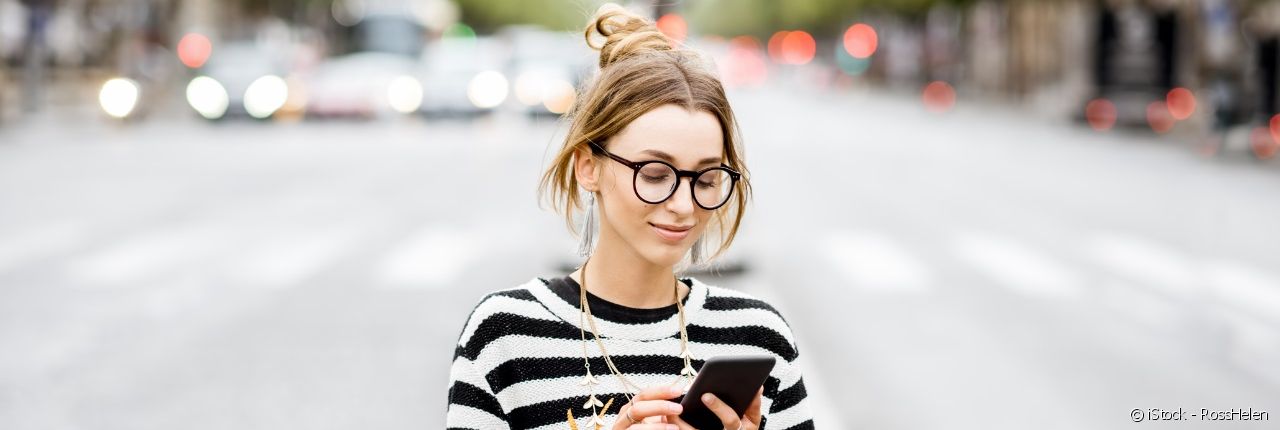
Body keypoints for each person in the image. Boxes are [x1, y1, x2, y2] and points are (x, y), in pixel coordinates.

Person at [446, 4, 814, 429]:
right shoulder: (504, 335)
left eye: (707, 179)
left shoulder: (756, 335)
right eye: (655, 174)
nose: (684, 204)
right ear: (588, 166)